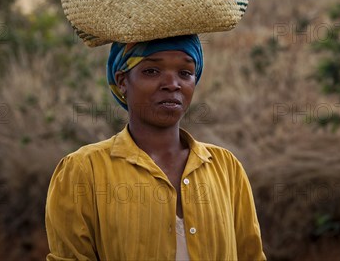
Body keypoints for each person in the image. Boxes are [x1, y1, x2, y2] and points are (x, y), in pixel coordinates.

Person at [45, 34, 266, 260]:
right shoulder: (83, 170)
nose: (172, 84)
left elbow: (251, 254)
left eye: (185, 73)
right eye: (152, 71)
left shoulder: (226, 168)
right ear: (122, 81)